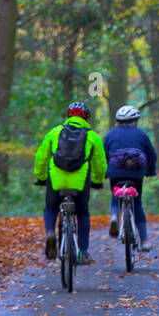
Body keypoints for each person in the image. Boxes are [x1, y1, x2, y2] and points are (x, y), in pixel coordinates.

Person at [34, 101, 106, 265]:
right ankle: (83, 252)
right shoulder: (92, 136)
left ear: (68, 116)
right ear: (87, 117)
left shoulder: (55, 132)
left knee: (51, 208)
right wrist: (98, 181)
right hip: (79, 184)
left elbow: (41, 157)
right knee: (82, 214)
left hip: (56, 181)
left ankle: (51, 232)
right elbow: (100, 163)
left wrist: (40, 176)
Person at [103, 104, 158, 251]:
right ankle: (145, 241)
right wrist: (151, 171)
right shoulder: (141, 134)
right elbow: (152, 155)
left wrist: (103, 173)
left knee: (115, 197)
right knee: (137, 204)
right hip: (136, 174)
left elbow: (102, 156)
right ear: (135, 121)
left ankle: (115, 217)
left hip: (116, 173)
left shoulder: (110, 134)